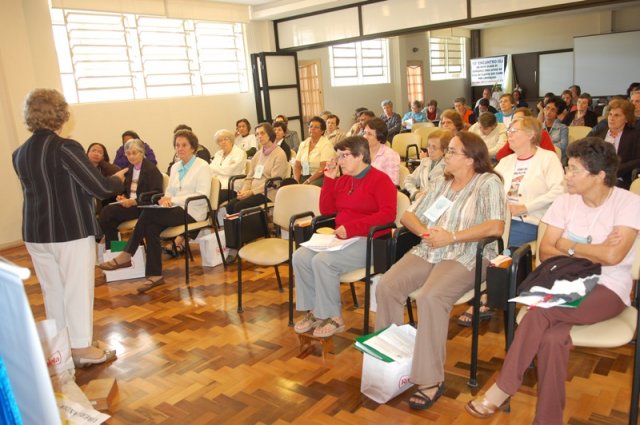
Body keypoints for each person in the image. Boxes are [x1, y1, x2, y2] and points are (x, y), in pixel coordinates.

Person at [467, 137, 640, 425]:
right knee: (552, 337)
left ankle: (502, 388)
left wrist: (570, 245)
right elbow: (547, 251)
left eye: (574, 170)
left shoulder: (629, 203)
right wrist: (592, 249)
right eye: (567, 167)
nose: (566, 175)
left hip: (609, 288)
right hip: (566, 284)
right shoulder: (565, 202)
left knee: (540, 312)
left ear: (599, 176)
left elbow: (612, 258)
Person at [375, 131, 505, 411]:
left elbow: (496, 227)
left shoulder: (488, 183)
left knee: (431, 297)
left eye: (452, 152)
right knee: (387, 286)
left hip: (468, 253)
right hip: (430, 248)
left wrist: (453, 237)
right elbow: (407, 215)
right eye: (446, 152)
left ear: (471, 158)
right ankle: (393, 359)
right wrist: (425, 233)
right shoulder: (440, 182)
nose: (445, 156)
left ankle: (429, 378)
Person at [13, 88, 125, 367]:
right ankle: (80, 348)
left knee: (53, 291)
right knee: (77, 288)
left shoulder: (19, 153)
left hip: (36, 233)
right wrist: (119, 180)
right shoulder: (65, 147)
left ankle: (61, 346)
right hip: (69, 231)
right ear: (60, 114)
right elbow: (99, 187)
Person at [293, 136, 397, 338]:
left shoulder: (380, 180)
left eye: (344, 156)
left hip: (370, 239)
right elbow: (327, 210)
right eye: (338, 156)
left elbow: (387, 215)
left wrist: (352, 228)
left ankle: (334, 317)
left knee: (323, 262)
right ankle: (314, 311)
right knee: (300, 256)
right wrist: (330, 181)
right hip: (342, 238)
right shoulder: (343, 180)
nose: (339, 161)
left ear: (360, 156)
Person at [98, 129, 211, 293]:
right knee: (150, 227)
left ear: (193, 147)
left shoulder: (202, 166)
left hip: (193, 211)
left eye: (184, 145)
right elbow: (170, 191)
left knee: (148, 214)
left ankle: (127, 253)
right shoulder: (176, 167)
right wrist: (165, 198)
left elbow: (202, 195)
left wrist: (172, 200)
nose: (180, 148)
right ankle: (155, 275)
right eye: (177, 145)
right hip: (174, 208)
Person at [496, 116, 565, 247]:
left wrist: (525, 207)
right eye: (508, 131)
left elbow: (559, 191)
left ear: (530, 134)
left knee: (491, 242)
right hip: (502, 219)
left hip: (529, 222)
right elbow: (489, 186)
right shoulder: (506, 161)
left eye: (513, 131)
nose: (508, 135)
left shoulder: (548, 158)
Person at [98, 138, 164, 250]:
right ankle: (116, 251)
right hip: (131, 205)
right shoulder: (130, 168)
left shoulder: (151, 170)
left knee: (107, 212)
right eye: (128, 154)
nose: (131, 156)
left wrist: (134, 201)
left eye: (134, 153)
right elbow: (129, 191)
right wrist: (123, 197)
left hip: (143, 207)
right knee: (110, 222)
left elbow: (157, 193)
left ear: (142, 153)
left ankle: (98, 239)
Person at [226, 122, 289, 215]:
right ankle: (239, 229)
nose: (259, 136)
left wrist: (251, 192)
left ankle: (250, 229)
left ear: (270, 134)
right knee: (230, 205)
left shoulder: (279, 154)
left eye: (262, 133)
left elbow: (274, 182)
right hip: (253, 191)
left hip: (268, 192)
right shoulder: (258, 154)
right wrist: (244, 191)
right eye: (257, 134)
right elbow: (249, 176)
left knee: (239, 206)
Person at [589, 98, 640, 189]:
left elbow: (637, 160)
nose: (612, 118)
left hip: (619, 177)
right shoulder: (598, 133)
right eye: (610, 114)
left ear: (626, 119)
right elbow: (583, 150)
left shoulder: (635, 135)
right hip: (594, 174)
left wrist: (615, 169)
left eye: (617, 115)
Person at [403, 129, 452, 200]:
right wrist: (415, 193)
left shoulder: (448, 167)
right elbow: (409, 180)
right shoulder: (425, 161)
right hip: (419, 202)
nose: (430, 150)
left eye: (434, 147)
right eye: (428, 146)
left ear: (444, 150)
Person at [209, 129, 247, 204]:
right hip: (217, 186)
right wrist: (220, 170)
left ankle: (213, 215)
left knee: (213, 199)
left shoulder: (239, 153)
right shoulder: (218, 154)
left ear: (231, 140)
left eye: (225, 139)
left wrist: (215, 168)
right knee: (204, 197)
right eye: (220, 140)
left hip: (231, 187)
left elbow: (230, 171)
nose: (223, 142)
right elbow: (210, 170)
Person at [294, 116, 334, 186]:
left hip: (322, 176)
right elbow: (297, 165)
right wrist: (296, 181)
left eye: (316, 127)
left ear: (322, 131)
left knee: (308, 189)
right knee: (291, 187)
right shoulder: (303, 144)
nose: (312, 129)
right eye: (311, 126)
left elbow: (323, 168)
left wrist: (308, 181)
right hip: (305, 175)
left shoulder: (326, 144)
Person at [364, 117, 400, 185]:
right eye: (365, 133)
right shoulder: (362, 152)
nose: (365, 136)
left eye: (369, 134)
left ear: (379, 137)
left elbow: (393, 183)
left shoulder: (390, 155)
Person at [543, 96, 569, 164]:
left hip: (557, 160)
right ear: (544, 109)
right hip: (541, 160)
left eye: (553, 110)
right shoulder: (538, 127)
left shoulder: (563, 128)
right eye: (547, 108)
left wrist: (544, 145)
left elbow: (563, 146)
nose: (548, 112)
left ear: (557, 114)